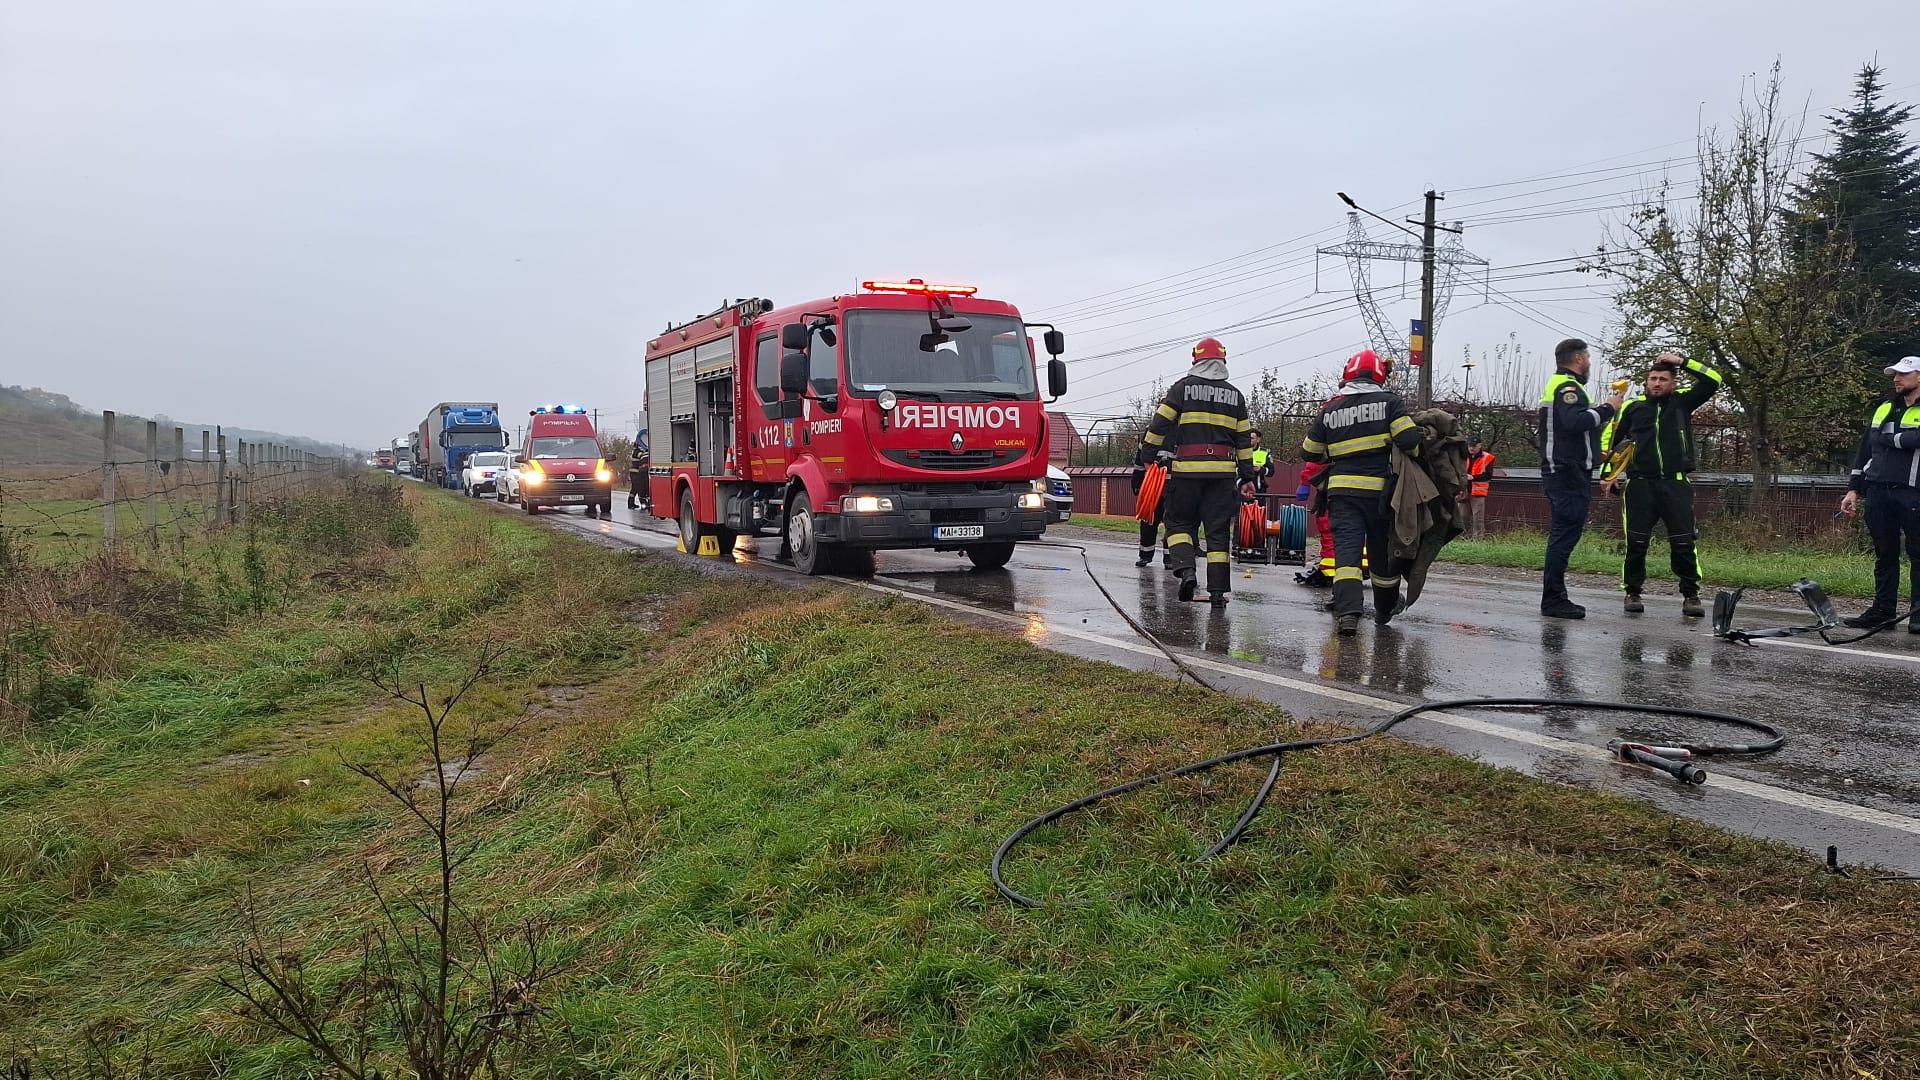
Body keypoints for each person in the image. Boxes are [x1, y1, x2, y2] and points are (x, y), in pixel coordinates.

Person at [1302, 349, 1423, 635]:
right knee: (1381, 555)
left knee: (1347, 556)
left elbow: (1309, 451)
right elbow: (1409, 441)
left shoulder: (1330, 410)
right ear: (1379, 375)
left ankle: (1348, 615)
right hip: (1381, 495)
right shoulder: (1390, 403)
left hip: (1342, 494)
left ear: (1348, 374)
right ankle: (1384, 608)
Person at [1599, 352, 1722, 616]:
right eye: (1652, 379)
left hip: (1676, 484)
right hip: (1640, 485)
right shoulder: (1632, 408)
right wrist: (1607, 474)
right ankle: (1632, 592)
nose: (1657, 383)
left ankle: (1691, 595)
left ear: (1673, 382)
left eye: (1663, 379)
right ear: (1646, 382)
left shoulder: (1682, 402)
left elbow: (1714, 380)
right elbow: (1609, 444)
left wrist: (1683, 361)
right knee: (1636, 542)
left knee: (1683, 542)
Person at [1138, 337, 1256, 606]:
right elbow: (1243, 441)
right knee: (1217, 534)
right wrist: (1247, 477)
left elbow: (1159, 425)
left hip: (1187, 472)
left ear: (1196, 360)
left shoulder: (1181, 389)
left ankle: (1186, 571)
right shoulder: (1235, 396)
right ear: (1222, 361)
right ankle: (1217, 593)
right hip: (1223, 476)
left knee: (1178, 524)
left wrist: (1147, 457)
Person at [1536, 338, 1624, 620]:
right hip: (1566, 472)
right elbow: (1574, 422)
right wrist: (1608, 408)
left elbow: (1570, 427)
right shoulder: (1568, 387)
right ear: (1577, 359)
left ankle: (1555, 597)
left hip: (1566, 469)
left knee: (1563, 535)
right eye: (1587, 357)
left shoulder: (1561, 385)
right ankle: (1553, 599)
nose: (1589, 363)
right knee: (1564, 536)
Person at [1839, 355, 1920, 632]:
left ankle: (1918, 616)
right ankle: (1883, 611)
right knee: (1884, 554)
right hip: (1878, 491)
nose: (1896, 379)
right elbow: (1866, 450)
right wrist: (1853, 490)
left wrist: (1892, 439)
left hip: (1913, 492)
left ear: (1919, 377)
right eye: (1895, 374)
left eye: (1903, 374)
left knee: (1917, 553)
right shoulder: (1884, 408)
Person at [1129, 460, 1163, 567]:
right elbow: (1139, 464)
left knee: (1174, 525)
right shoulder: (1145, 443)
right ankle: (1145, 555)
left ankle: (1170, 558)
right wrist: (1137, 484)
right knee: (1148, 520)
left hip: (1172, 487)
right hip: (1151, 487)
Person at [1463, 437, 1496, 539]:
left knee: (1477, 518)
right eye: (1470, 446)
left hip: (1478, 492)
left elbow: (1488, 475)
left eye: (1474, 446)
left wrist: (1473, 477)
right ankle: (1462, 538)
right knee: (1462, 516)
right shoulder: (1463, 456)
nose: (1471, 448)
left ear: (1480, 445)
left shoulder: (1488, 457)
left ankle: (1478, 539)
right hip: (1463, 491)